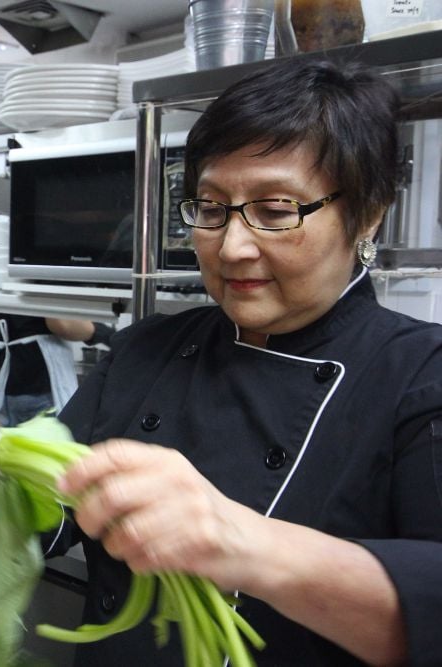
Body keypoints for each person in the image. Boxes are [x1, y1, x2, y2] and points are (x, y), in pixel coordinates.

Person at [48, 59, 442, 666]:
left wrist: (247, 544)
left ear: (368, 212)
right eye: (210, 208)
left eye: (277, 210)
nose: (232, 247)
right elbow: (45, 505)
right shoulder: (145, 349)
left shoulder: (421, 375)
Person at [0, 313, 113, 426]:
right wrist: (107, 335)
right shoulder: (42, 281)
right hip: (40, 379)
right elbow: (61, 324)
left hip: (5, 384)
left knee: (13, 451)